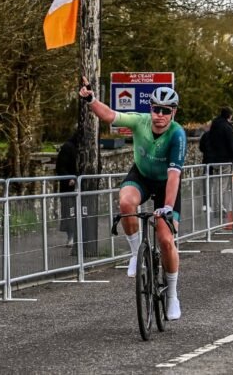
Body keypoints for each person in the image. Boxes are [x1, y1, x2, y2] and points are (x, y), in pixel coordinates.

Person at [79, 79, 187, 321]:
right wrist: (90, 100)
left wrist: (167, 208)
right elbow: (110, 116)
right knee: (126, 202)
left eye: (165, 111)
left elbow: (174, 176)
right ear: (151, 108)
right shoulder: (140, 121)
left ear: (173, 112)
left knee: (166, 240)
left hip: (166, 184)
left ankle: (172, 295)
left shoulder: (177, 135)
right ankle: (136, 252)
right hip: (141, 176)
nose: (159, 115)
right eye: (156, 109)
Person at [56, 132, 79, 247]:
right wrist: (69, 178)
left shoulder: (86, 148)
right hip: (69, 187)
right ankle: (71, 237)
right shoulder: (68, 147)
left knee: (82, 212)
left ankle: (80, 237)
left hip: (81, 186)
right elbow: (60, 167)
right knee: (70, 212)